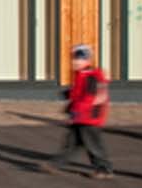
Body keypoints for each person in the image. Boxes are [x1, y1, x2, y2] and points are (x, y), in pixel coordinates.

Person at [44, 45, 113, 179]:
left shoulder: (90, 77)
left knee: (93, 146)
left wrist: (75, 113)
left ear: (87, 61)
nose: (74, 62)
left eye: (79, 59)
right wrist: (69, 94)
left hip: (90, 118)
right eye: (74, 59)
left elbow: (89, 98)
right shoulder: (82, 75)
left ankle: (104, 169)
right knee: (71, 143)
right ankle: (55, 164)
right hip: (82, 118)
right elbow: (79, 94)